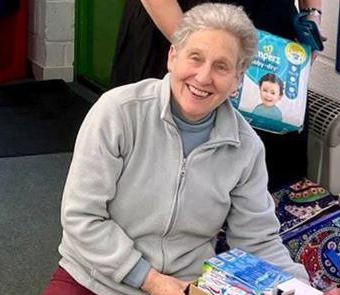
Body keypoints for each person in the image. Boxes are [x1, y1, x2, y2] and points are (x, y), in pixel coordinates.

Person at [26, 4, 316, 295]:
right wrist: (150, 280)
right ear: (172, 57)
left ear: (237, 80)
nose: (203, 77)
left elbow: (258, 241)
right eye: (195, 57)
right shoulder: (119, 112)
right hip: (95, 282)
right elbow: (82, 217)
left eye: (221, 67)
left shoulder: (246, 148)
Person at [111, 0, 324, 191]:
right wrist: (195, 52)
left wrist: (312, 15)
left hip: (271, 36)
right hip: (176, 22)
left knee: (269, 181)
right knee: (161, 176)